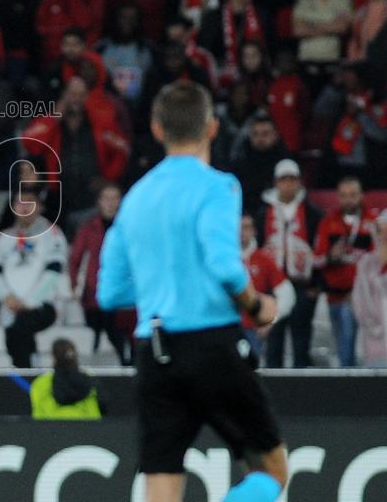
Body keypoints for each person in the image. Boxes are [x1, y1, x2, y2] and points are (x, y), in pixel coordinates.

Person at [97, 81, 287, 502]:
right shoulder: (218, 186)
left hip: (155, 350)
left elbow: (109, 293)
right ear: (213, 128)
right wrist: (257, 307)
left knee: (161, 489)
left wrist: (159, 287)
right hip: (211, 344)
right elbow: (224, 266)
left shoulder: (135, 197)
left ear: (157, 129)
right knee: (272, 471)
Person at [0, 189, 68, 368]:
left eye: (30, 202)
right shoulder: (4, 238)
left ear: (40, 206)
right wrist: (6, 297)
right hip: (12, 306)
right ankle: (27, 376)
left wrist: (30, 301)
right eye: (20, 202)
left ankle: (29, 376)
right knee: (14, 341)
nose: (24, 207)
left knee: (20, 329)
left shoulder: (52, 233)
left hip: (43, 305)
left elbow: (54, 271)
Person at [258, 159, 323, 368]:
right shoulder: (262, 214)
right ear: (276, 182)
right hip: (273, 289)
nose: (287, 184)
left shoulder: (312, 213)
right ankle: (275, 393)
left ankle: (302, 394)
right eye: (283, 179)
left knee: (301, 342)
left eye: (292, 179)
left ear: (299, 182)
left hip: (302, 287)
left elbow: (320, 248)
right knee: (274, 343)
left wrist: (316, 285)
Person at [312, 177, 378, 367]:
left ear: (361, 195)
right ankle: (347, 387)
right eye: (344, 195)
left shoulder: (372, 222)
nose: (349, 200)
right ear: (338, 197)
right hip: (336, 296)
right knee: (343, 348)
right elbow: (316, 260)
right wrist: (332, 256)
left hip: (365, 299)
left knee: (360, 349)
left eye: (353, 195)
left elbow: (378, 263)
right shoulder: (328, 221)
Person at [69, 182, 132, 365]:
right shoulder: (88, 229)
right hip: (94, 293)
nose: (111, 203)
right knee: (103, 328)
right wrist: (74, 285)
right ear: (99, 202)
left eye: (115, 198)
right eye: (107, 198)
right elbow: (75, 259)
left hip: (124, 292)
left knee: (120, 331)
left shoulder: (128, 228)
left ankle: (126, 365)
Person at [239, 215, 294, 360]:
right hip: (224, 330)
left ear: (254, 231)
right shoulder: (221, 259)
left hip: (252, 330)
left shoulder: (264, 259)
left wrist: (270, 321)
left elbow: (287, 294)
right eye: (236, 228)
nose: (240, 232)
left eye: (246, 227)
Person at [30, 339, 102, 420]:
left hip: (49, 429)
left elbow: (37, 411)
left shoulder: (40, 382)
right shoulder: (90, 379)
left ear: (53, 357)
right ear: (75, 355)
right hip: (90, 429)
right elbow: (103, 406)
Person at [353, 212, 387, 367]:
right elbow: (359, 303)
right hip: (375, 346)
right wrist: (374, 328)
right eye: (382, 231)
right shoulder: (366, 264)